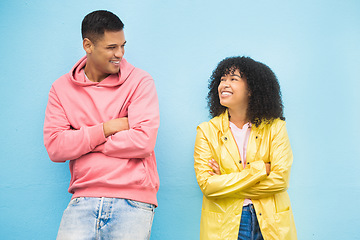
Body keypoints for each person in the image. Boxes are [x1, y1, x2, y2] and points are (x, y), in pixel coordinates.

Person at [43, 10, 160, 240]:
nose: (120, 54)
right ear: (88, 45)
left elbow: (143, 142)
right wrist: (107, 128)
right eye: (111, 47)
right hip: (82, 200)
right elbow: (56, 148)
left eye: (122, 46)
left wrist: (82, 139)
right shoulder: (61, 89)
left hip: (133, 202)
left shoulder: (140, 82)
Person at [194, 56, 297, 239]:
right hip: (225, 225)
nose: (224, 84)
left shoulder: (275, 127)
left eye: (233, 79)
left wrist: (225, 181)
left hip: (270, 221)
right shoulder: (206, 131)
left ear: (251, 89)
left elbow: (280, 180)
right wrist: (259, 169)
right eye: (222, 80)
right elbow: (208, 186)